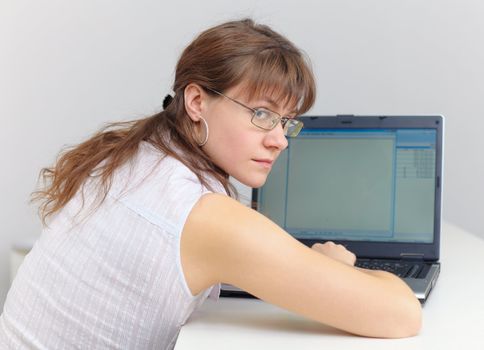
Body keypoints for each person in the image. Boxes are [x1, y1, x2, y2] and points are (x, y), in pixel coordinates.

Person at [0, 18, 421, 349]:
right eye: (261, 113)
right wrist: (333, 270)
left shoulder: (133, 155)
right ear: (197, 101)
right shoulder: (201, 215)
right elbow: (402, 314)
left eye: (286, 121)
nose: (278, 139)